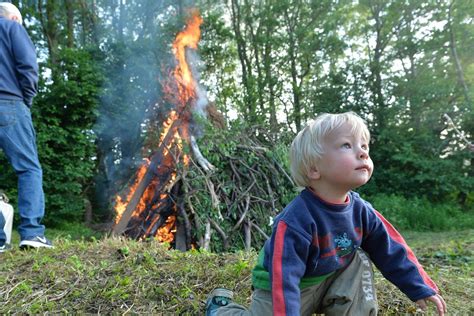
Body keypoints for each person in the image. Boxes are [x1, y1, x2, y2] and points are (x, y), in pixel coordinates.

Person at [206, 112, 446, 316]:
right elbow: (283, 278)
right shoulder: (295, 221)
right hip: (288, 290)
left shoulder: (363, 211)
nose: (362, 153)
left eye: (364, 146)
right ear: (314, 169)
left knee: (358, 257)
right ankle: (221, 309)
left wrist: (419, 287)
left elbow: (391, 249)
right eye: (346, 145)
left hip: (330, 278)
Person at [0, 2, 52, 249]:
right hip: (9, 103)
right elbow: (28, 66)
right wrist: (26, 100)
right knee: (28, 168)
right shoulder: (11, 27)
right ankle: (32, 233)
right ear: (13, 17)